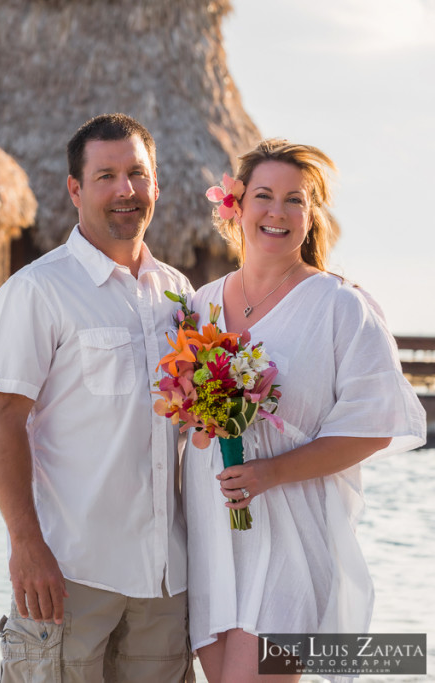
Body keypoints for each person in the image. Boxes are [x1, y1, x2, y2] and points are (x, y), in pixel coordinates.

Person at [185, 139, 427, 683]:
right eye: (264, 195)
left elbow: (377, 428)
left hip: (292, 538)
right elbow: (191, 425)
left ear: (311, 214)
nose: (277, 211)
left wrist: (270, 473)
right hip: (211, 535)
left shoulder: (341, 306)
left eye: (295, 199)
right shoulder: (200, 304)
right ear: (237, 205)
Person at [0, 113, 193, 682]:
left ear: (156, 183)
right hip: (69, 573)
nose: (125, 191)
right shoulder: (36, 291)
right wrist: (25, 544)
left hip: (166, 582)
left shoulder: (179, 294)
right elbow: (1, 418)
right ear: (75, 189)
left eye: (137, 174)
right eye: (106, 176)